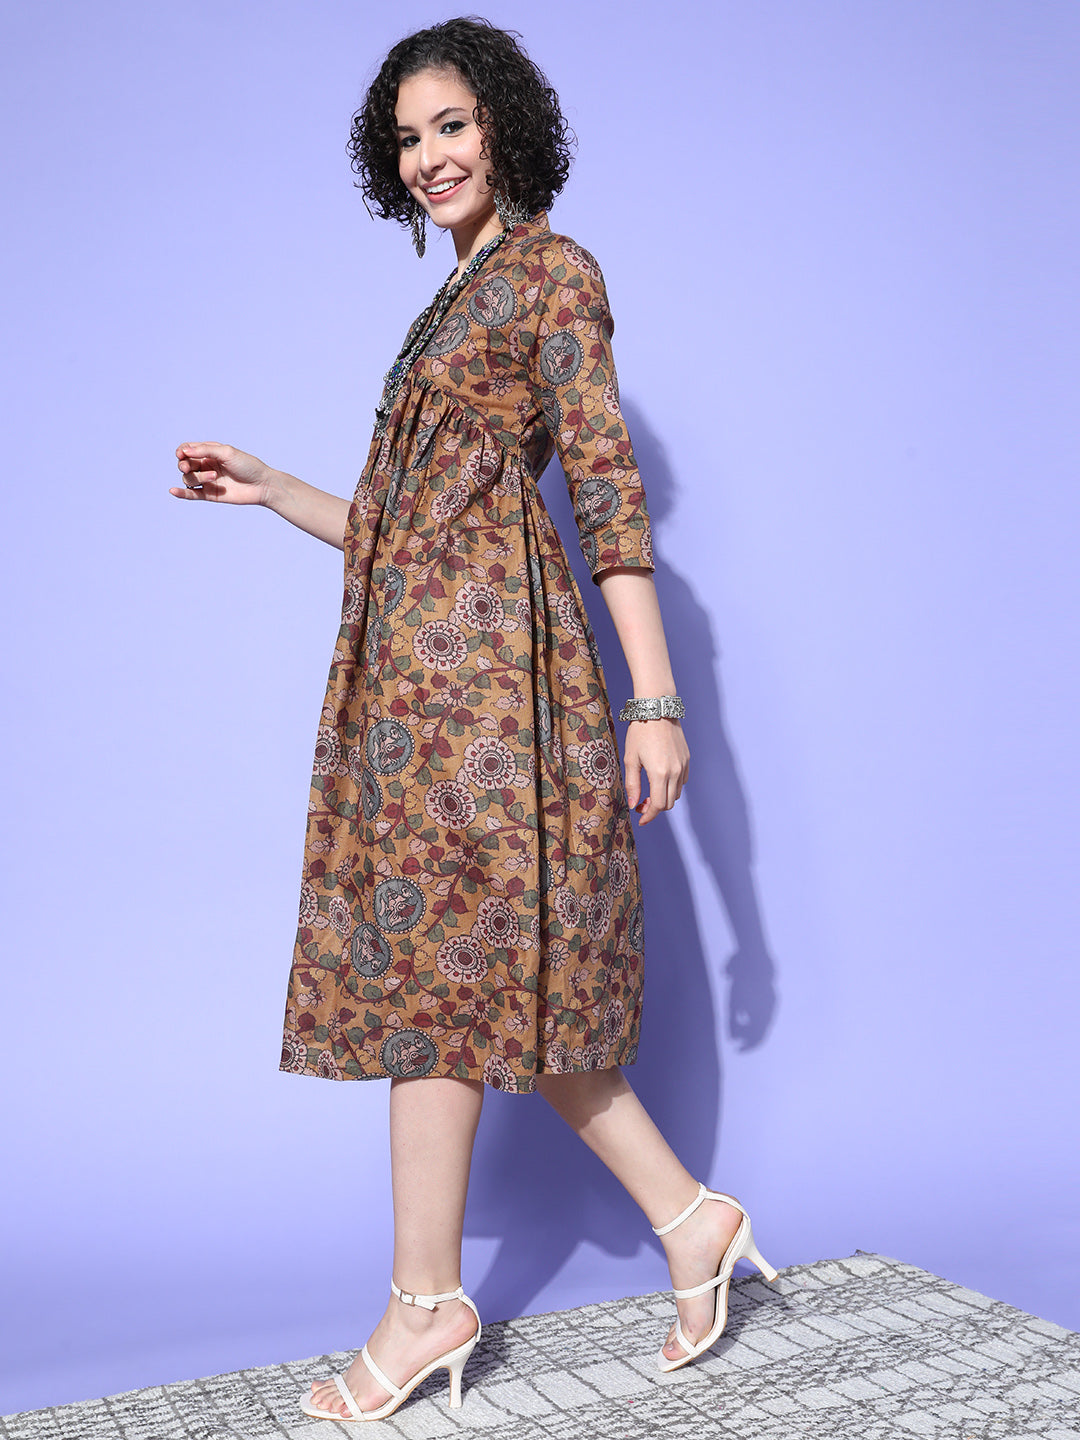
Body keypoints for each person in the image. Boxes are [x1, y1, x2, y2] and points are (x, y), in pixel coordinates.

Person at [172, 17, 775, 1424]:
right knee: (505, 993)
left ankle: (424, 1303)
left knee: (446, 992)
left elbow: (608, 496)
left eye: (451, 125)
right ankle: (693, 1222)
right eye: (406, 139)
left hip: (494, 694)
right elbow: (403, 533)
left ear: (504, 125)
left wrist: (656, 702)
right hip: (415, 694)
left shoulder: (553, 275)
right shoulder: (450, 303)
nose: (429, 156)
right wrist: (271, 488)